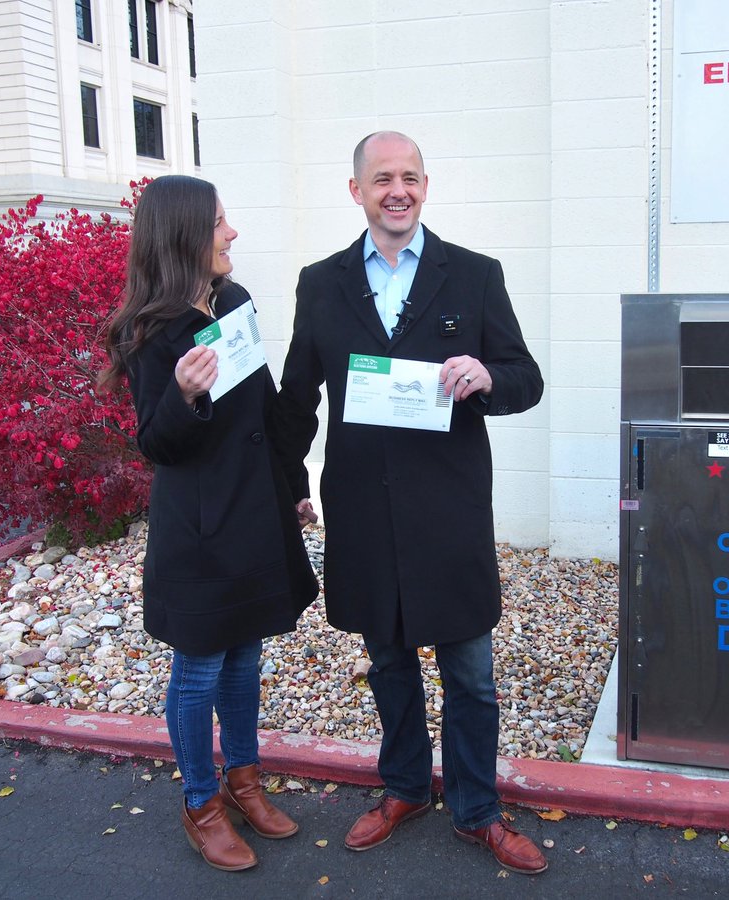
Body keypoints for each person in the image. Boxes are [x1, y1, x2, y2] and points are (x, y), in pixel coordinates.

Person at [273, 132, 547, 875]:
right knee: (388, 660)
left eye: (411, 178)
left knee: (470, 673)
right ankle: (402, 789)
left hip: (449, 510)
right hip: (362, 508)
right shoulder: (322, 282)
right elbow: (298, 396)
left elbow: (528, 379)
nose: (399, 190)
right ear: (356, 190)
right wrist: (288, 482)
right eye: (383, 179)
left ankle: (477, 809)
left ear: (426, 186)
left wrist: (486, 375)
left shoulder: (475, 276)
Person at [101, 174, 318, 872]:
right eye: (221, 223)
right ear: (186, 235)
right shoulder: (154, 332)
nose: (233, 233)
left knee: (247, 658)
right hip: (199, 530)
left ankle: (244, 780)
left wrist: (293, 486)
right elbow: (157, 446)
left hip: (254, 514)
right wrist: (185, 395)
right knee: (198, 671)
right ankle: (201, 803)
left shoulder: (234, 302)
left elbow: (260, 410)